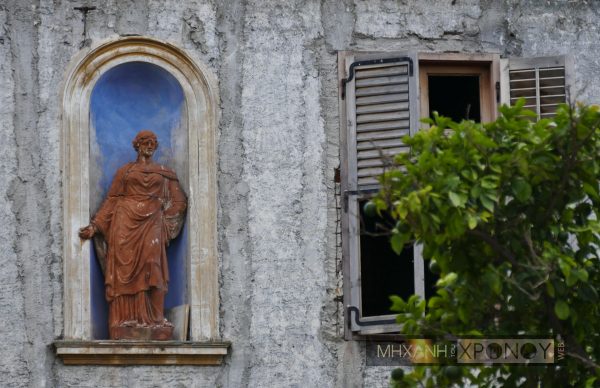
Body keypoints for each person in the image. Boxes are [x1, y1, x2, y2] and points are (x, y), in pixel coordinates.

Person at [79, 130, 187, 340]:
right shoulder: (125, 172)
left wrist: (166, 219)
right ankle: (124, 321)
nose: (149, 146)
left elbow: (180, 200)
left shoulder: (165, 173)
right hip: (124, 222)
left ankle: (155, 320)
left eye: (153, 143)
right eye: (145, 142)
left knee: (153, 266)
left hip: (152, 223)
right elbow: (112, 200)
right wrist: (95, 226)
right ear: (137, 146)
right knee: (124, 271)